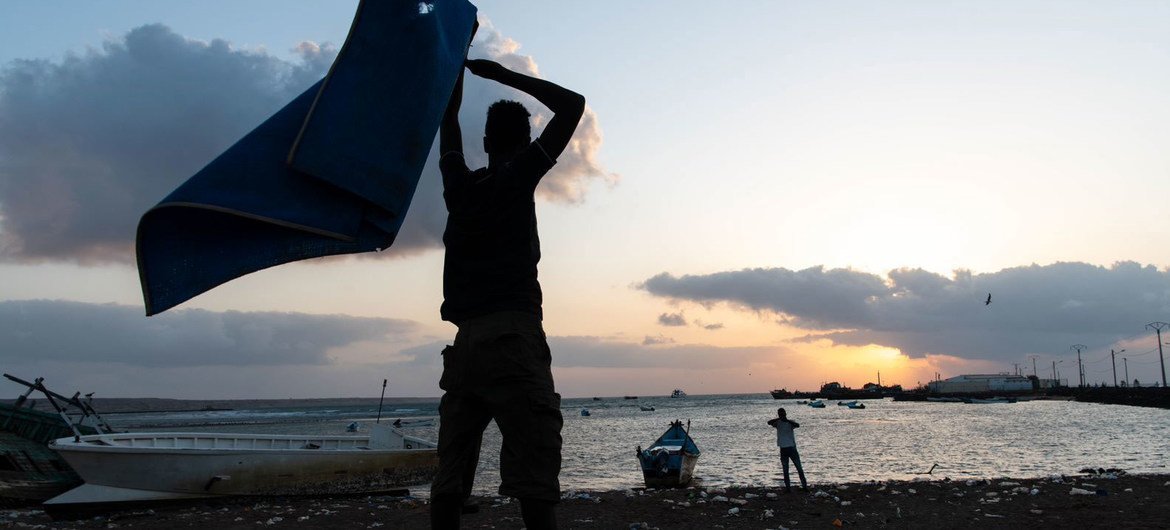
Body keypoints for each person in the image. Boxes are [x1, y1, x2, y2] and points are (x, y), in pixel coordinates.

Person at [429, 58, 585, 530]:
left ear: (485, 143)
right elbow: (573, 106)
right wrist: (499, 72)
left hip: (464, 348)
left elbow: (447, 120)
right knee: (535, 474)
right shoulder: (516, 177)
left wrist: (453, 63)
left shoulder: (459, 188)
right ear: (522, 144)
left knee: (450, 478)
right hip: (513, 341)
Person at [767, 408, 808, 492]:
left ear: (786, 413)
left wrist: (786, 420)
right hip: (783, 449)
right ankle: (788, 488)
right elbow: (769, 422)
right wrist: (779, 419)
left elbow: (797, 425)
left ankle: (805, 487)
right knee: (785, 470)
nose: (781, 415)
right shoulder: (777, 423)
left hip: (792, 448)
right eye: (780, 414)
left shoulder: (790, 423)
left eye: (783, 413)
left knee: (799, 468)